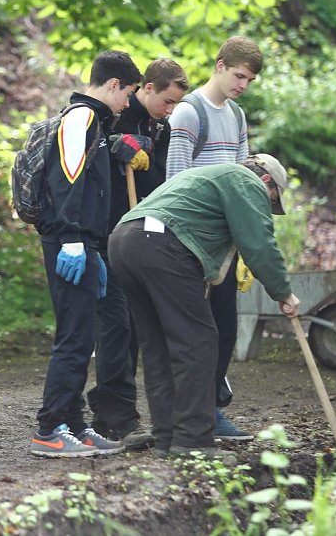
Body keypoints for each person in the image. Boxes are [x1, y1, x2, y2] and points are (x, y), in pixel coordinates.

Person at [108, 155, 301, 458]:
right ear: (266, 181)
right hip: (161, 244)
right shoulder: (246, 181)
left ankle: (168, 438)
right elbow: (259, 243)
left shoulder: (211, 178)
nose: (269, 206)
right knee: (197, 341)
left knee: (159, 345)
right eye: (272, 200)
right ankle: (193, 442)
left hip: (124, 239)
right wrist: (283, 292)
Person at [29, 50, 145, 458]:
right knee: (74, 336)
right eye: (128, 93)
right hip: (68, 243)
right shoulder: (79, 118)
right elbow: (67, 180)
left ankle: (75, 424)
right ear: (113, 84)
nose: (128, 103)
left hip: (86, 242)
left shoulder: (94, 121)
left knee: (87, 333)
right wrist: (74, 239)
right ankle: (50, 427)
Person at [165, 36, 263, 441]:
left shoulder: (237, 115)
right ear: (220, 65)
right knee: (197, 333)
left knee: (224, 328)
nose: (242, 84)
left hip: (225, 244)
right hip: (191, 243)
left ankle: (212, 407)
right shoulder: (189, 113)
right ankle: (194, 414)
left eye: (249, 80)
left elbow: (241, 180)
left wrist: (243, 239)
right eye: (238, 75)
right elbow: (174, 181)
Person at [87, 59, 188, 450]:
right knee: (116, 328)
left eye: (176, 104)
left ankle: (118, 413)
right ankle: (114, 416)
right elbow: (91, 153)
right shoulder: (116, 114)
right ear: (145, 88)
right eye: (166, 101)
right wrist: (116, 147)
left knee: (132, 327)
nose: (170, 110)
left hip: (142, 239)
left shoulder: (157, 126)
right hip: (110, 236)